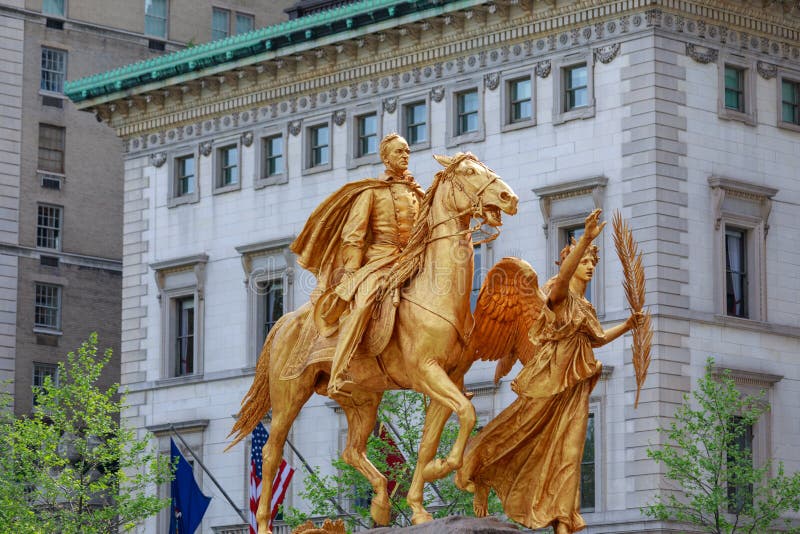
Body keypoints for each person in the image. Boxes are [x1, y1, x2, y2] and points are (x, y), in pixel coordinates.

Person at [454, 209, 643, 533]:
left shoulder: (586, 309)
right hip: (550, 383)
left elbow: (596, 339)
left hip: (575, 387)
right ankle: (481, 469)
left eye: (592, 263)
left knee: (570, 452)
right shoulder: (558, 298)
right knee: (517, 430)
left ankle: (564, 521)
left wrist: (627, 325)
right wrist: (584, 239)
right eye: (584, 261)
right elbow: (563, 280)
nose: (589, 265)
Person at [323, 133, 423, 396]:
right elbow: (353, 235)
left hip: (412, 260)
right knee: (364, 303)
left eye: (407, 151)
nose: (404, 156)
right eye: (399, 152)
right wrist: (352, 273)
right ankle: (339, 370)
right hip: (380, 261)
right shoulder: (371, 191)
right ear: (386, 157)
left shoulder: (417, 192)